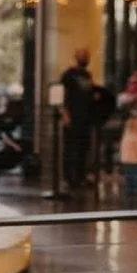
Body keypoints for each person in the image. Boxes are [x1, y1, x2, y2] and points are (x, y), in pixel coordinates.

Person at [60, 46, 96, 188]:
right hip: (72, 116)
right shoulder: (69, 74)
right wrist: (65, 113)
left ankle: (81, 176)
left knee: (83, 147)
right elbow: (62, 94)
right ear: (76, 56)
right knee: (71, 147)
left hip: (86, 117)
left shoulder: (87, 75)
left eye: (87, 56)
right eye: (82, 55)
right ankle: (69, 177)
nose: (85, 58)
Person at [120, 110, 137, 203]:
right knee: (136, 181)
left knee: (129, 181)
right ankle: (136, 199)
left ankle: (129, 197)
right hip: (135, 163)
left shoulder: (126, 136)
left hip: (126, 162)